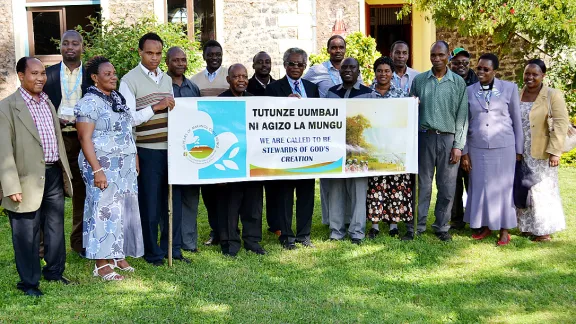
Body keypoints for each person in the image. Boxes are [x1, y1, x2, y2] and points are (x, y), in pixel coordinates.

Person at [0, 57, 73, 296]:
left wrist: (64, 173)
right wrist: (11, 185)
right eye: (34, 73)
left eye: (42, 73)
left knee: (54, 227)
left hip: (53, 174)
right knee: (26, 233)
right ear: (21, 76)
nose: (41, 78)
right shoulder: (7, 106)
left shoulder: (47, 102)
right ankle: (29, 283)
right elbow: (3, 149)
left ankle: (54, 271)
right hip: (25, 178)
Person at [119, 32, 188, 265]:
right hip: (146, 150)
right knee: (149, 203)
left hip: (171, 150)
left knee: (172, 201)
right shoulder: (129, 80)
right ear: (140, 52)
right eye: (150, 53)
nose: (155, 58)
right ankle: (153, 253)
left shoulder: (166, 79)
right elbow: (128, 119)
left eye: (158, 53)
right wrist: (156, 107)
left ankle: (172, 249)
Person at [75, 56, 144, 280]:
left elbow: (126, 130)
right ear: (95, 77)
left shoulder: (116, 97)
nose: (113, 77)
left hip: (123, 163)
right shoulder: (88, 102)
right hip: (101, 163)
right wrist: (96, 170)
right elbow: (85, 139)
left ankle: (116, 254)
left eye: (114, 73)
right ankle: (101, 262)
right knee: (102, 208)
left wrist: (133, 156)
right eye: (107, 74)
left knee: (122, 208)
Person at [404, 41, 468, 242]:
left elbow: (462, 116)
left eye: (441, 55)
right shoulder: (420, 81)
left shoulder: (458, 82)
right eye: (433, 55)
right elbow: (410, 111)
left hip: (448, 140)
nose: (437, 59)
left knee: (447, 187)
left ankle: (442, 226)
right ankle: (418, 226)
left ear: (449, 55)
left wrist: (458, 146)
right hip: (425, 138)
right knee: (422, 185)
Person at [460, 53, 523, 245]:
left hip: (504, 147)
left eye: (486, 69)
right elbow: (463, 122)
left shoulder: (509, 89)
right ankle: (486, 225)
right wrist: (465, 151)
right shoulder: (469, 91)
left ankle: (504, 229)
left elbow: (516, 120)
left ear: (495, 71)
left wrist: (519, 150)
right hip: (477, 148)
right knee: (481, 187)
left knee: (503, 188)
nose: (481, 72)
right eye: (479, 68)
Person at [265, 47, 320, 250]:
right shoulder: (273, 89)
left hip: (307, 150)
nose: (296, 67)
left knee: (306, 194)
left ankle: (304, 235)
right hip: (284, 150)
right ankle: (286, 236)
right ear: (285, 64)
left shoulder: (312, 89)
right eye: (292, 63)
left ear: (305, 67)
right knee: (285, 194)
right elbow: (267, 118)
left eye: (300, 64)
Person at [43, 30, 90, 257]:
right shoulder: (48, 74)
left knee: (82, 191)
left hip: (84, 139)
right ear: (60, 47)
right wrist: (55, 119)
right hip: (56, 138)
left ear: (82, 47)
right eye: (65, 43)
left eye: (75, 43)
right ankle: (49, 247)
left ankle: (79, 243)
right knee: (53, 192)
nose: (70, 47)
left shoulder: (92, 74)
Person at [516, 59, 570, 241]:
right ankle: (527, 227)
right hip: (521, 151)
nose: (530, 77)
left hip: (542, 151)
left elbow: (561, 123)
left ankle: (544, 230)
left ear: (543, 76)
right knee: (524, 188)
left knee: (542, 189)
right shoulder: (518, 93)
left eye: (534, 74)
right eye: (527, 73)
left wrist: (556, 151)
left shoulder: (552, 95)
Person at [303, 35, 354, 226]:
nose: (338, 50)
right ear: (328, 50)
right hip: (326, 129)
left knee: (349, 172)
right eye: (334, 47)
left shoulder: (351, 68)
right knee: (329, 174)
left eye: (341, 47)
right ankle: (329, 218)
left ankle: (348, 218)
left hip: (348, 128)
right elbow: (304, 87)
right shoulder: (316, 71)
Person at [215, 64, 266, 256]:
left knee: (253, 204)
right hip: (229, 161)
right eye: (236, 76)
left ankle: (252, 241)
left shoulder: (255, 101)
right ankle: (230, 243)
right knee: (229, 204)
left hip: (252, 161)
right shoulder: (219, 102)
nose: (242, 80)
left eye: (244, 76)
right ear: (228, 80)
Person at [325, 58, 375, 244]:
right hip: (336, 150)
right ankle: (336, 231)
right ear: (339, 71)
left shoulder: (368, 94)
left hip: (358, 150)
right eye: (344, 67)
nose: (347, 70)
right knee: (336, 190)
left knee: (358, 190)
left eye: (352, 67)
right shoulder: (331, 93)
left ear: (358, 71)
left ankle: (357, 232)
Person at [367, 56, 414, 239]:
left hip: (395, 149)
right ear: (375, 72)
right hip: (373, 147)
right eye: (380, 70)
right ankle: (375, 225)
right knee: (375, 187)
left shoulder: (402, 95)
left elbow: (408, 118)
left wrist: (414, 105)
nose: (383, 74)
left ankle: (394, 224)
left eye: (387, 71)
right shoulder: (367, 94)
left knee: (395, 185)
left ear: (392, 73)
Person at [190, 40, 228, 246]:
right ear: (204, 56)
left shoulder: (230, 76)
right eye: (211, 54)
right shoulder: (194, 81)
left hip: (227, 138)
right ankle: (215, 230)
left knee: (226, 190)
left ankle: (230, 228)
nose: (215, 58)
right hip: (206, 140)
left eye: (218, 54)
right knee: (209, 190)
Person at [166, 46, 202, 253]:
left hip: (190, 150)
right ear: (167, 63)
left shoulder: (193, 87)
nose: (180, 63)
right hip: (167, 149)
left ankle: (189, 242)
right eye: (175, 60)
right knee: (170, 199)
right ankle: (172, 241)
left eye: (183, 60)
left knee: (190, 197)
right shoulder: (162, 86)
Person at [246, 51, 279, 236]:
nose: (264, 65)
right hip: (254, 147)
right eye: (260, 62)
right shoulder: (246, 86)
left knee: (275, 189)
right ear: (254, 65)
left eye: (268, 62)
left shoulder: (278, 86)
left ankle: (275, 225)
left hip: (274, 146)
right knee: (255, 192)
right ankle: (253, 228)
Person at [449, 47, 478, 230]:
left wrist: (465, 148)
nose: (461, 66)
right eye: (457, 62)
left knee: (472, 182)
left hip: (472, 141)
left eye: (464, 63)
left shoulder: (476, 84)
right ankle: (457, 220)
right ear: (451, 63)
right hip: (450, 139)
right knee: (453, 183)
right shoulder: (448, 82)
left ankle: (475, 219)